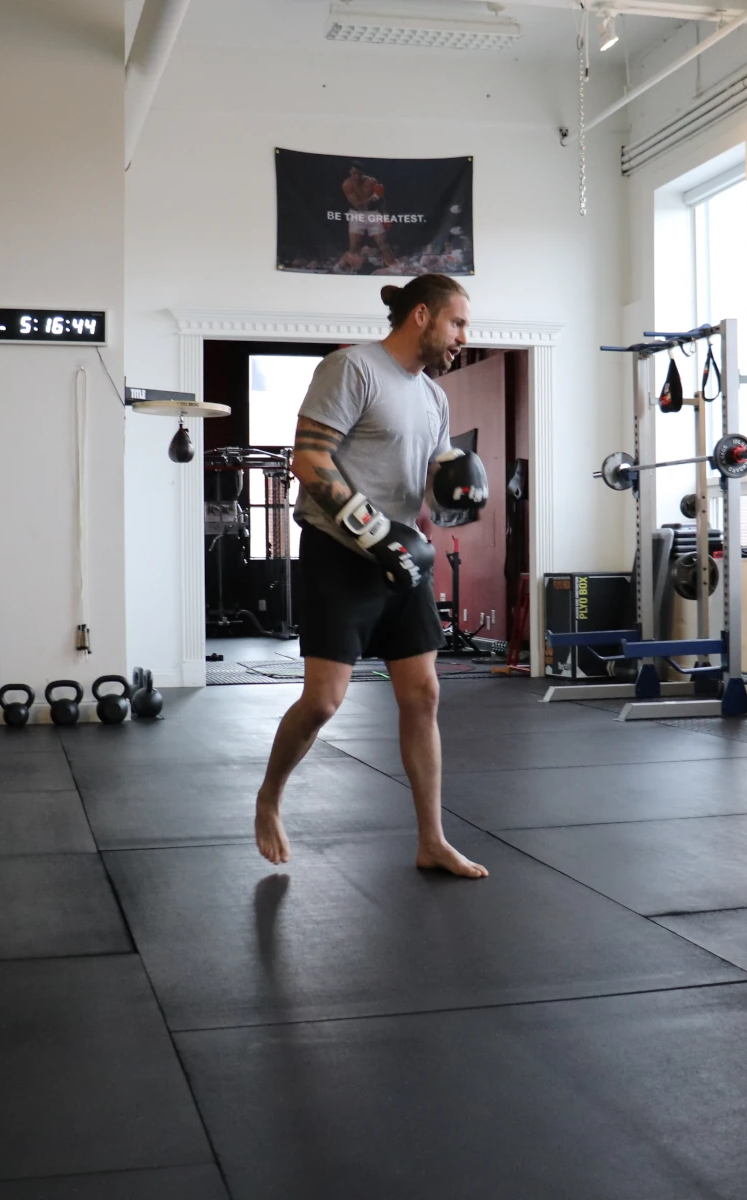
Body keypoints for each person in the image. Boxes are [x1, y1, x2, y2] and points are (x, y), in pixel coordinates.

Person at [255, 274, 491, 878]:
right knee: (323, 701)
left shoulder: (433, 397)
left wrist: (457, 497)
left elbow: (431, 489)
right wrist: (371, 531)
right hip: (341, 555)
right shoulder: (352, 369)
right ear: (421, 316)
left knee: (424, 695)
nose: (464, 336)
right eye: (458, 323)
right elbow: (307, 458)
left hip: (403, 560)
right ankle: (270, 797)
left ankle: (432, 840)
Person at [342, 163, 396, 270]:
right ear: (350, 173)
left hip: (373, 213)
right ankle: (340, 269)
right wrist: (374, 197)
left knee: (383, 244)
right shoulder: (347, 185)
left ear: (363, 174)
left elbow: (382, 200)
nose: (357, 176)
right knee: (354, 247)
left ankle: (395, 269)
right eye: (354, 173)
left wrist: (385, 216)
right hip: (356, 214)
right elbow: (358, 205)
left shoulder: (371, 182)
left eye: (359, 174)